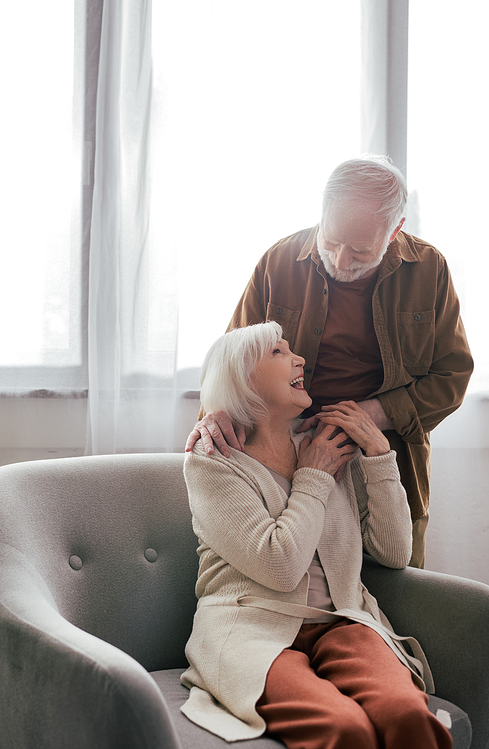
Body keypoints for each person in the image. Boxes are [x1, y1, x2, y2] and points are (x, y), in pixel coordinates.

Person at [186, 155, 473, 568]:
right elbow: (232, 359)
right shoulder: (278, 261)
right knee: (290, 575)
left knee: (391, 596)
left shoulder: (429, 270)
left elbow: (453, 374)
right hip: (282, 461)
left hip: (384, 460)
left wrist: (370, 417)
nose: (340, 262)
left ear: (395, 231)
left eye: (359, 251)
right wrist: (215, 414)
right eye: (332, 240)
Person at [181, 321, 452, 749]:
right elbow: (281, 566)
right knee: (343, 729)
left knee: (408, 717)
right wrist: (313, 475)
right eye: (278, 352)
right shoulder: (215, 460)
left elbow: (395, 552)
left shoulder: (326, 442)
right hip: (251, 630)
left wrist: (380, 455)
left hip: (343, 623)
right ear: (241, 377)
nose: (299, 358)